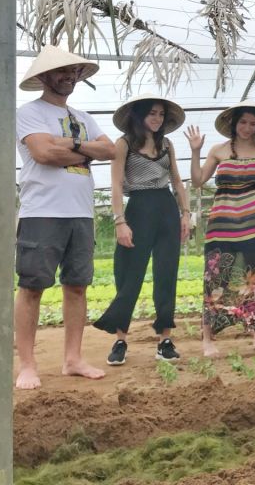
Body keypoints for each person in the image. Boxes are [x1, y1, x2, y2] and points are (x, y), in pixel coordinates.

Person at [15, 45, 116, 389]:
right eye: (62, 72)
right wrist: (85, 149)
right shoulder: (29, 113)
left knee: (77, 285)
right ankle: (27, 365)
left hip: (81, 214)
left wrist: (69, 146)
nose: (69, 77)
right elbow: (43, 153)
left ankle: (73, 359)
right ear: (44, 76)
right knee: (32, 286)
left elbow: (111, 149)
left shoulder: (83, 117)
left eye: (73, 72)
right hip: (42, 212)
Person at [186, 100, 255, 357]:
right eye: (243, 122)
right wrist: (195, 151)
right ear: (234, 124)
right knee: (215, 281)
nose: (247, 127)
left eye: (253, 123)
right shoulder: (218, 151)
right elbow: (198, 180)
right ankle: (208, 340)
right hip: (222, 227)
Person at [93, 94, 190, 365]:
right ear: (139, 116)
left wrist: (186, 214)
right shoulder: (124, 144)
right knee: (129, 274)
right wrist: (119, 221)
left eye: (161, 114)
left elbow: (177, 182)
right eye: (152, 114)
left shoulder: (167, 144)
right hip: (138, 208)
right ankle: (120, 340)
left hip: (166, 208)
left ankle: (164, 341)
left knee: (166, 273)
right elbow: (115, 185)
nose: (157, 119)